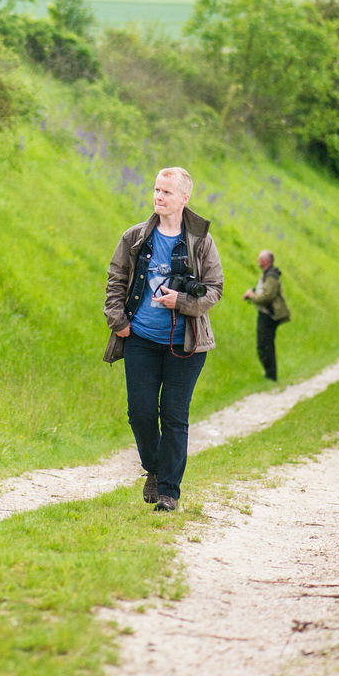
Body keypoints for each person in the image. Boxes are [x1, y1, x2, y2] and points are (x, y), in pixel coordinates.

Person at [103, 167, 223, 512]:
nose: (159, 196)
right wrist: (118, 320)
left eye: (167, 192)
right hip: (140, 337)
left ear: (184, 198)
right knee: (140, 413)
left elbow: (215, 289)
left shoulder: (201, 241)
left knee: (174, 415)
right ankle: (155, 469)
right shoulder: (135, 237)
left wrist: (181, 302)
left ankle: (168, 492)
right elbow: (115, 279)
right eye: (156, 190)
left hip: (185, 343)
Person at [242, 249, 291, 381]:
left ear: (266, 261)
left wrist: (251, 296)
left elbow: (266, 297)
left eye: (260, 258)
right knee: (263, 345)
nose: (257, 260)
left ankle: (271, 376)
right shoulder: (267, 274)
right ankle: (269, 374)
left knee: (265, 345)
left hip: (269, 316)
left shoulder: (272, 276)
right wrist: (253, 292)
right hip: (265, 314)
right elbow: (263, 291)